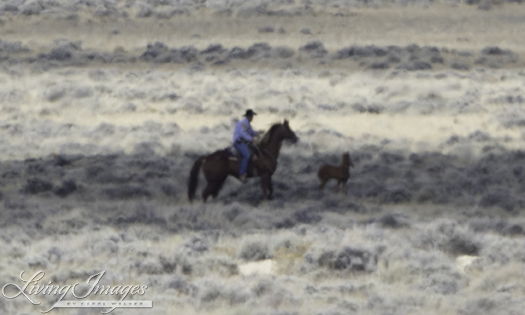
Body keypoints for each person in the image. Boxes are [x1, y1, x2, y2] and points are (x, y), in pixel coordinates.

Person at [233, 109, 258, 183]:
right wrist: (251, 139)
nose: (252, 118)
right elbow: (243, 133)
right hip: (239, 142)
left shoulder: (247, 124)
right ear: (249, 116)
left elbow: (251, 132)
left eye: (252, 116)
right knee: (246, 155)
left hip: (244, 142)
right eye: (251, 116)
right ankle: (242, 174)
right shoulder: (244, 123)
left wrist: (259, 132)